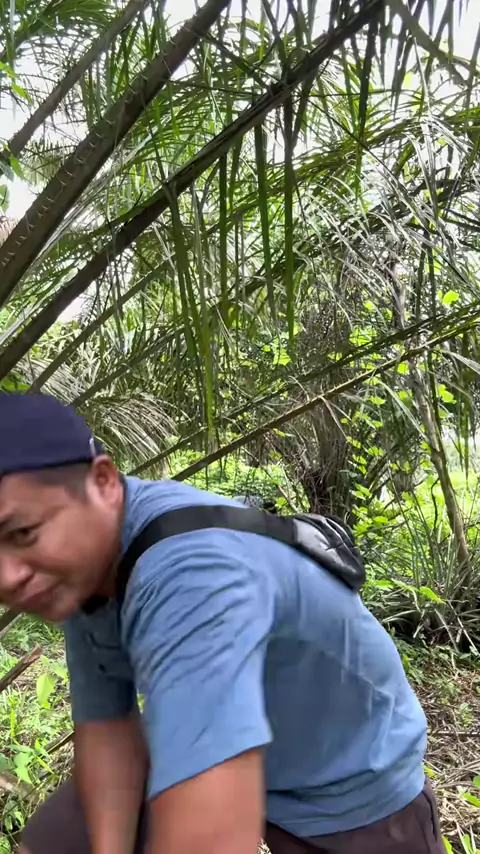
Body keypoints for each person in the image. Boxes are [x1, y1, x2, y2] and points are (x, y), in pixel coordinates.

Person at [0, 393, 445, 854]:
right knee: (64, 839)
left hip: (350, 788)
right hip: (239, 738)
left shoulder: (192, 573)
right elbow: (107, 728)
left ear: (103, 482)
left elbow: (211, 842)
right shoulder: (79, 566)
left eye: (22, 533)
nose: (6, 577)